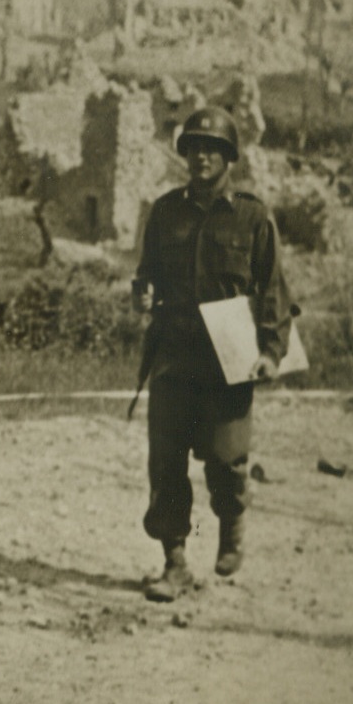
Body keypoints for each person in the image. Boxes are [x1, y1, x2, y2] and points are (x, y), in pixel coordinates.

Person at [131, 105, 292, 602]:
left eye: (212, 149)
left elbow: (273, 292)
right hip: (174, 355)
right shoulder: (164, 212)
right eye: (193, 148)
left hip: (230, 354)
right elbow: (147, 273)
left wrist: (270, 352)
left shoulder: (251, 216)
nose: (201, 157)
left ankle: (231, 529)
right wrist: (141, 293)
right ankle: (174, 562)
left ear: (228, 158)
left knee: (225, 461)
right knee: (166, 464)